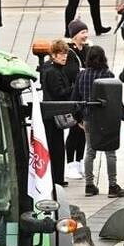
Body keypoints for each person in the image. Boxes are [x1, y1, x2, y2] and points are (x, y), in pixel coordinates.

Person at [69, 46, 124, 198]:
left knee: (90, 151)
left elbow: (74, 98)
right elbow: (116, 101)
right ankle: (112, 186)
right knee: (110, 152)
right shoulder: (107, 75)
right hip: (107, 119)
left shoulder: (81, 75)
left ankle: (89, 185)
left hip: (88, 119)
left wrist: (78, 118)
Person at [40, 40, 75, 187]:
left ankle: (57, 177)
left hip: (50, 114)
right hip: (54, 113)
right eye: (61, 54)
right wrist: (73, 88)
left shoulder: (50, 68)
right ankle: (57, 178)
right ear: (53, 55)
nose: (64, 57)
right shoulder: (54, 72)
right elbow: (59, 92)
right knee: (57, 148)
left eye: (65, 53)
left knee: (56, 146)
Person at [63, 21, 91, 180]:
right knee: (74, 130)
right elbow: (71, 74)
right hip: (74, 98)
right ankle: (70, 164)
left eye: (86, 31)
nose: (85, 35)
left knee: (83, 132)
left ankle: (80, 161)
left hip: (85, 97)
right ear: (74, 35)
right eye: (82, 32)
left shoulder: (87, 50)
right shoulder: (70, 53)